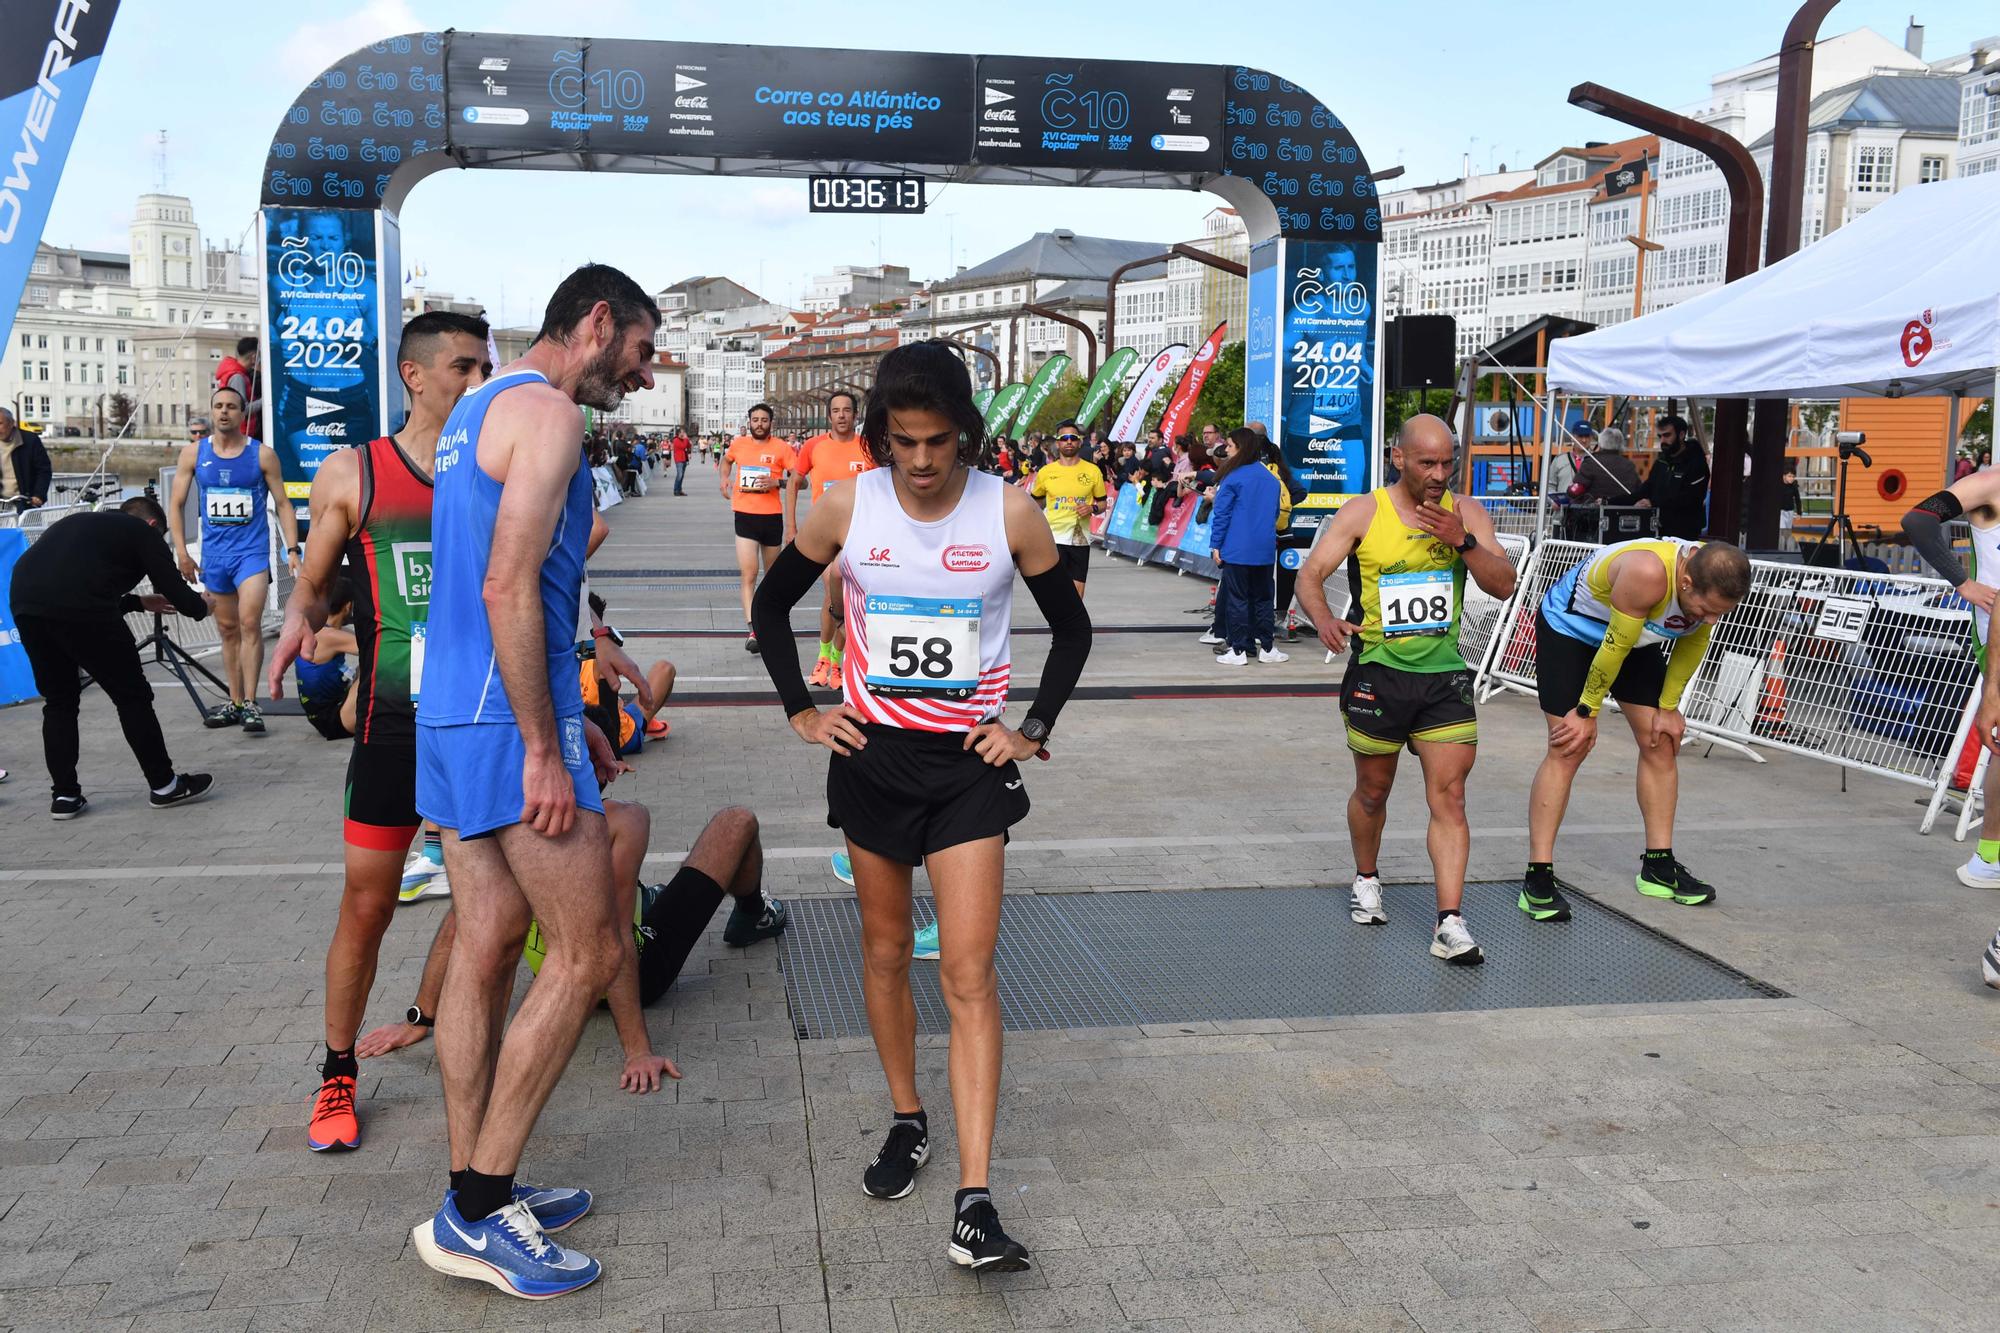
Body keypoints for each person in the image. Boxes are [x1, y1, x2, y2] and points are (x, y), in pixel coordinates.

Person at [749, 340, 1092, 1275]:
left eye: (941, 440)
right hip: (872, 757)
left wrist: (1033, 728)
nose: (925, 460)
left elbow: (1074, 627)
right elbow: (771, 608)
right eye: (905, 441)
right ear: (880, 439)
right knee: (888, 951)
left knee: (970, 976)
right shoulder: (843, 506)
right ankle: (908, 1117)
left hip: (970, 768)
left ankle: (974, 1200)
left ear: (967, 434)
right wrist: (802, 711)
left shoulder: (1008, 508)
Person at [409, 264, 659, 1300]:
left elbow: (512, 586)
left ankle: (477, 1184)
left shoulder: (475, 407)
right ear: (594, 323)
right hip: (511, 727)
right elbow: (508, 581)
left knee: (487, 943)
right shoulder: (550, 416)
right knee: (589, 947)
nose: (641, 378)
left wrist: (564, 722)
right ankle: (474, 1209)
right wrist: (547, 741)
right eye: (639, 351)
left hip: (454, 708)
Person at [266, 310, 493, 1157]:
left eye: (484, 367)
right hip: (393, 725)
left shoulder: (498, 469)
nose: (476, 382)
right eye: (463, 367)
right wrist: (300, 621)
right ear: (415, 375)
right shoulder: (356, 471)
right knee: (367, 906)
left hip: (481, 725)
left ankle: (462, 1059)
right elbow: (315, 584)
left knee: (487, 905)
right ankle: (334, 1071)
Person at [1296, 416, 1517, 963]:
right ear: (1399, 458)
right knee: (1373, 791)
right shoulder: (1364, 511)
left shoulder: (1468, 513)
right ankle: (1367, 877)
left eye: (1448, 462)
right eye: (1427, 463)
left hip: (1443, 678)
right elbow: (1311, 573)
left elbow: (1504, 583)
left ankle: (1450, 923)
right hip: (1378, 674)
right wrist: (1325, 619)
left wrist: (1461, 541)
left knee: (1452, 796)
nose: (1439, 474)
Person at [358, 804, 789, 1070]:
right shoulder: (622, 819)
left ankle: (692, 904)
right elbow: (614, 933)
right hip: (635, 968)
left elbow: (460, 925)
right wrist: (636, 1050)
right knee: (736, 822)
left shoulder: (507, 826)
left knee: (480, 906)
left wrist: (419, 1019)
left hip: (566, 968)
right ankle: (754, 914)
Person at [1528, 535, 1750, 912]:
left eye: (1720, 613)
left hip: (1634, 638)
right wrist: (1586, 712)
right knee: (1570, 745)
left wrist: (1669, 707)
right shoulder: (1647, 571)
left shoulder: (1711, 572)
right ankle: (1538, 875)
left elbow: (1694, 642)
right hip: (1572, 632)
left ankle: (1658, 867)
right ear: (1686, 581)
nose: (1711, 619)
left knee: (1660, 739)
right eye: (1706, 609)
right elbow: (1613, 648)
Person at [10, 494, 216, 816]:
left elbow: (75, 580)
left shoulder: (84, 523)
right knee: (132, 696)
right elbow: (179, 594)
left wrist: (138, 602)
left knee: (60, 701)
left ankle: (64, 796)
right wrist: (205, 605)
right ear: (152, 524)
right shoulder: (144, 532)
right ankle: (164, 785)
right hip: (81, 606)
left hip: (26, 602)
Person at [168, 385, 301, 733]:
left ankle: (253, 705)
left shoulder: (262, 455)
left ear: (243, 414)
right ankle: (236, 701)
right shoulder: (193, 454)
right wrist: (182, 552)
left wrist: (292, 548)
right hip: (215, 555)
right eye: (218, 406)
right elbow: (176, 504)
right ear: (211, 412)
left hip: (251, 554)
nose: (224, 412)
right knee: (227, 629)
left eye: (231, 406)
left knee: (249, 623)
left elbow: (284, 503)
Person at [1901, 476, 2000, 890]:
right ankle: (1989, 857)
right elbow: (1918, 520)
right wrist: (1963, 583)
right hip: (1995, 625)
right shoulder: (1991, 483)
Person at [786, 389, 874, 690]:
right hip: (826, 536)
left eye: (846, 410)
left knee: (851, 600)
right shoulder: (814, 446)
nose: (841, 415)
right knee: (831, 594)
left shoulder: (868, 447)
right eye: (836, 410)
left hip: (860, 535)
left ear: (855, 414)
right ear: (829, 416)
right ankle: (825, 656)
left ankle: (838, 659)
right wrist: (791, 526)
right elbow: (794, 481)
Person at [722, 403, 796, 654]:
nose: (759, 424)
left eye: (764, 420)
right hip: (744, 516)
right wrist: (724, 478)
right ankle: (753, 628)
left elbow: (801, 480)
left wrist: (778, 481)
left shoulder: (782, 448)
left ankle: (770, 620)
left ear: (770, 423)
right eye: (755, 420)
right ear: (750, 422)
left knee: (771, 576)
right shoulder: (739, 444)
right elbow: (727, 460)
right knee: (749, 574)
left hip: (772, 517)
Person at [1209, 429, 1286, 666]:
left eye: (1230, 446)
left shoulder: (1232, 477)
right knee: (1264, 599)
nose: (1227, 450)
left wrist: (1215, 545)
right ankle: (1268, 648)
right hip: (1264, 549)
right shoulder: (1271, 479)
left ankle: (1239, 650)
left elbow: (1221, 515)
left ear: (1240, 448)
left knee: (1237, 600)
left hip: (1237, 549)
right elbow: (1274, 514)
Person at [1029, 419, 1107, 599]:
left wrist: (1092, 508)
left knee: (1077, 593)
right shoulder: (1046, 472)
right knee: (1055, 592)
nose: (1069, 441)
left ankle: (1073, 627)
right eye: (1065, 438)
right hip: (1053, 539)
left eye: (1073, 438)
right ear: (1058, 443)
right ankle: (1059, 626)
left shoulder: (1093, 471)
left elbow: (1102, 504)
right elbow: (1035, 504)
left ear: (1079, 441)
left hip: (1079, 539)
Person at [293, 573, 359, 741]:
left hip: (326, 716)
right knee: (377, 664)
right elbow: (380, 649)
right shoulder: (328, 636)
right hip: (334, 720)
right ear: (348, 606)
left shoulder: (322, 630)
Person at [1636, 414, 1710, 539]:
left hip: (1685, 536)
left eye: (1667, 435)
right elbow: (1645, 490)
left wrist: (1653, 503)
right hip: (1656, 531)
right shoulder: (1661, 462)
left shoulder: (1697, 463)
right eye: (1660, 436)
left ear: (1681, 435)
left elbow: (1691, 498)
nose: (1663, 441)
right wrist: (1609, 502)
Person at [0, 407, 52, 509]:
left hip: (24, 501)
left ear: (11, 423)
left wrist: (39, 495)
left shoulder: (30, 440)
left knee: (27, 524)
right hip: (1, 501)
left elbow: (43, 470)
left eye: (0, 424)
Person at [214, 335, 260, 427]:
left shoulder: (233, 373)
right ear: (254, 357)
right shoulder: (237, 377)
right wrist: (268, 399)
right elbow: (243, 409)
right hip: (241, 431)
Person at [670, 431, 690, 495]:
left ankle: (679, 490)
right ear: (678, 434)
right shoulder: (676, 440)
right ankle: (676, 490)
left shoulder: (684, 440)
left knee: (682, 476)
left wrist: (687, 439)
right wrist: (686, 438)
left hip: (684, 459)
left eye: (684, 432)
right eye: (682, 432)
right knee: (679, 475)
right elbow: (683, 446)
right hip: (679, 459)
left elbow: (689, 446)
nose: (683, 434)